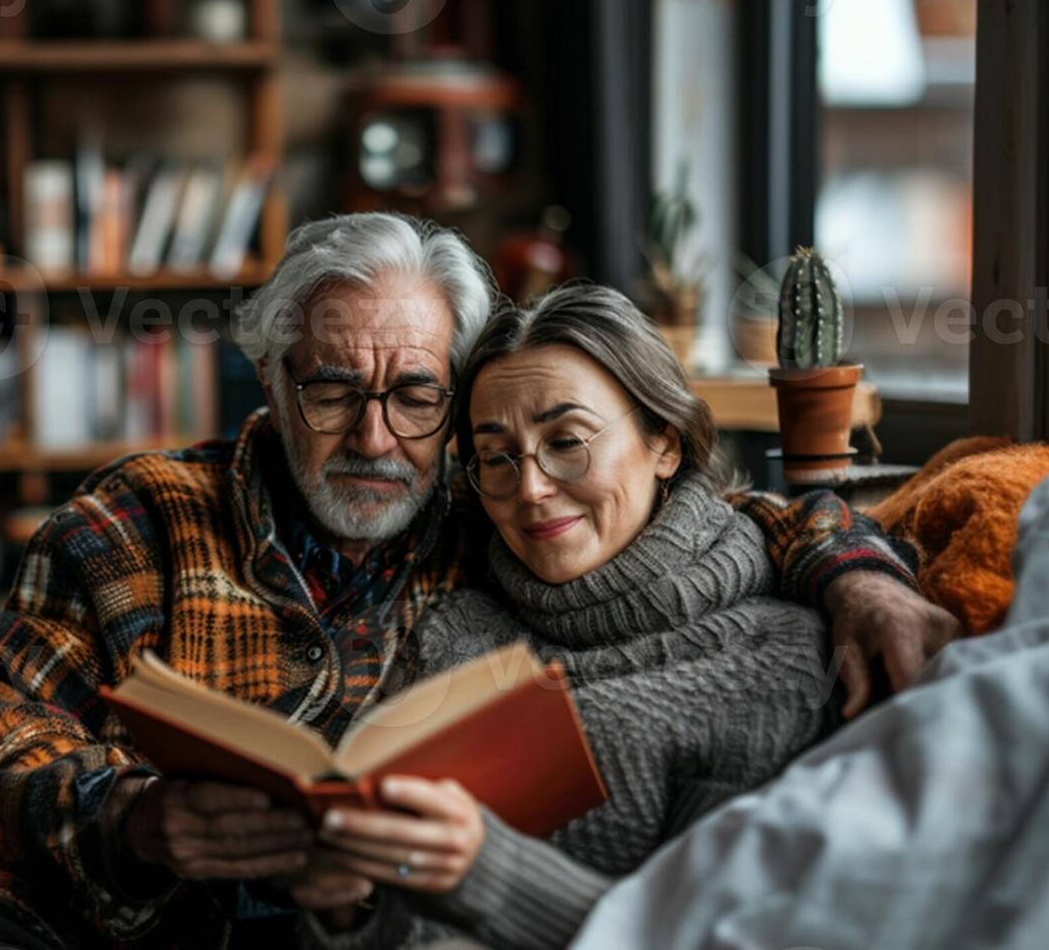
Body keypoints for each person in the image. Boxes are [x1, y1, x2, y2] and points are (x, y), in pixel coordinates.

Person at [0, 213, 958, 948]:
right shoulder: (147, 513)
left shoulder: (496, 510)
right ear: (271, 381)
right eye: (330, 390)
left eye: (416, 394)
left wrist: (859, 571)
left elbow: (702, 514)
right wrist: (128, 815)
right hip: (70, 915)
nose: (375, 435)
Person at [288, 283, 829, 949]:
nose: (531, 488)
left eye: (566, 440)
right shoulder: (455, 633)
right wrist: (349, 910)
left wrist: (489, 873)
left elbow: (721, 936)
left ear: (663, 441)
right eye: (496, 458)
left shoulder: (778, 665)